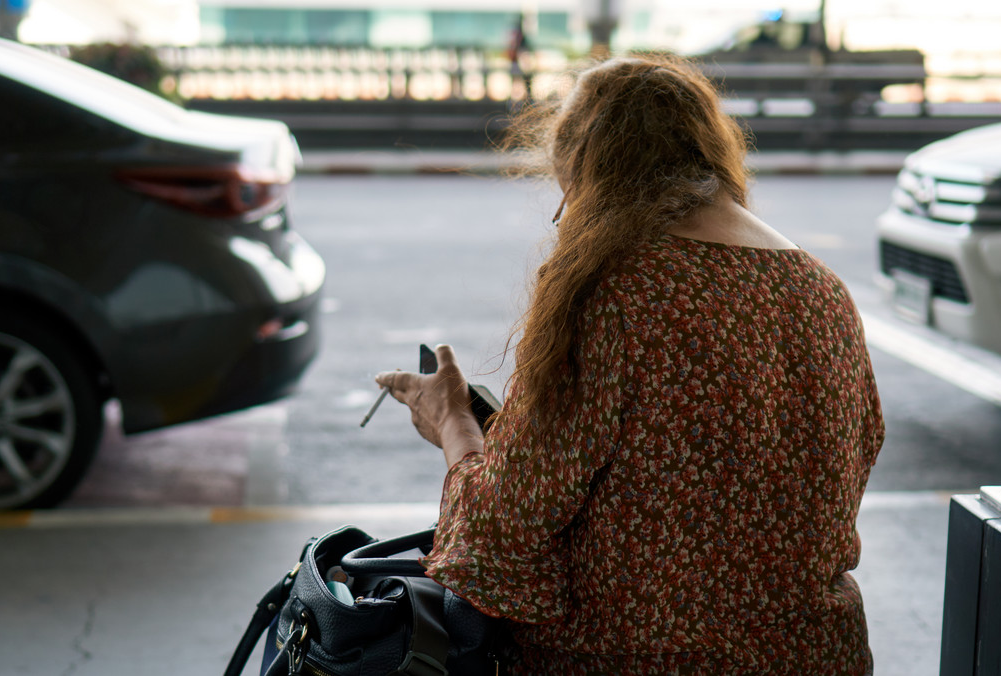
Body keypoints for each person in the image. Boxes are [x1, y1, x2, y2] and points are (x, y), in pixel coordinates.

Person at [375, 53, 884, 675]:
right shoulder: (822, 290)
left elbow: (507, 530)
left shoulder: (616, 289)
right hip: (816, 656)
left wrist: (452, 422)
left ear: (585, 172)